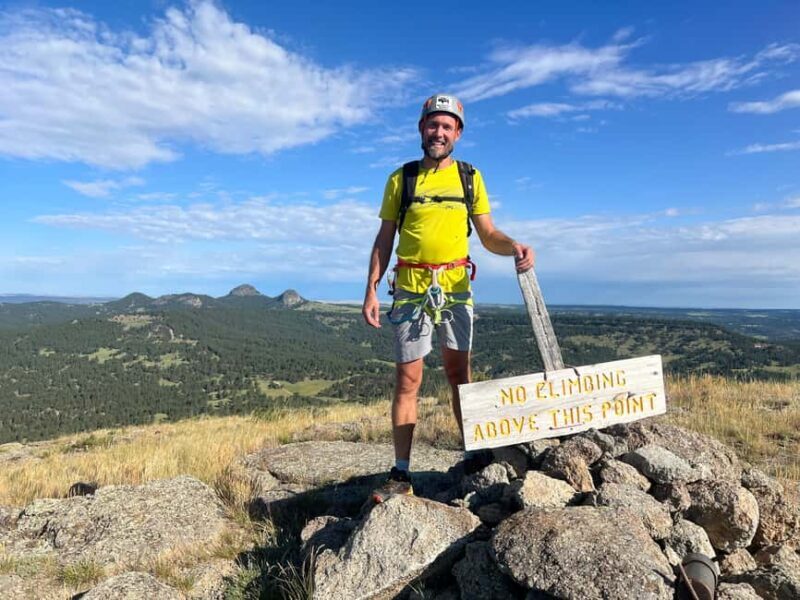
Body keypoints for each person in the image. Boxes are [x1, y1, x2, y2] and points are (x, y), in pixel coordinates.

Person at [362, 93, 534, 499]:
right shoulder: (400, 179)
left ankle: (473, 454)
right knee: (408, 379)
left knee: (461, 377)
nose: (439, 132)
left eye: (447, 126)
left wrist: (514, 246)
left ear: (458, 133)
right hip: (411, 289)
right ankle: (401, 473)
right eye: (432, 124)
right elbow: (385, 238)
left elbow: (488, 234)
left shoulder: (470, 178)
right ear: (422, 128)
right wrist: (371, 287)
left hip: (455, 290)